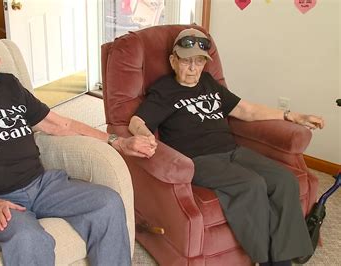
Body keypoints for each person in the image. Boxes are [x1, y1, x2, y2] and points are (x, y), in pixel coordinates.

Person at [0, 32, 156, 265]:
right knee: (29, 239)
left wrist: (117, 141)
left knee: (108, 203)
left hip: (42, 184)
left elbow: (58, 124)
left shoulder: (9, 85)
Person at [128, 28, 325, 266]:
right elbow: (136, 122)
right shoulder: (164, 90)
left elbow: (246, 110)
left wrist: (291, 115)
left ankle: (288, 252)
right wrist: (146, 137)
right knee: (251, 185)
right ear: (173, 60)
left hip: (233, 152)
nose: (193, 68)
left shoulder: (209, 82)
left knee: (285, 180)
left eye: (199, 61)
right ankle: (270, 261)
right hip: (199, 160)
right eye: (186, 60)